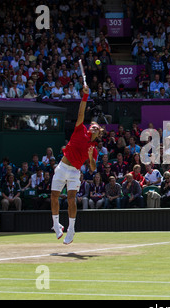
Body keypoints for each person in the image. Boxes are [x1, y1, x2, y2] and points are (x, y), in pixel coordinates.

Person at [51, 85, 102, 245]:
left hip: (74, 172)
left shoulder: (93, 149)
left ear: (98, 133)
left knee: (71, 199)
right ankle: (56, 224)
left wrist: (90, 158)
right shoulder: (80, 129)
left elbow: (93, 169)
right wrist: (85, 96)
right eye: (92, 125)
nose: (92, 126)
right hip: (62, 167)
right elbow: (81, 112)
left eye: (96, 127)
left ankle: (71, 229)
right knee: (54, 196)